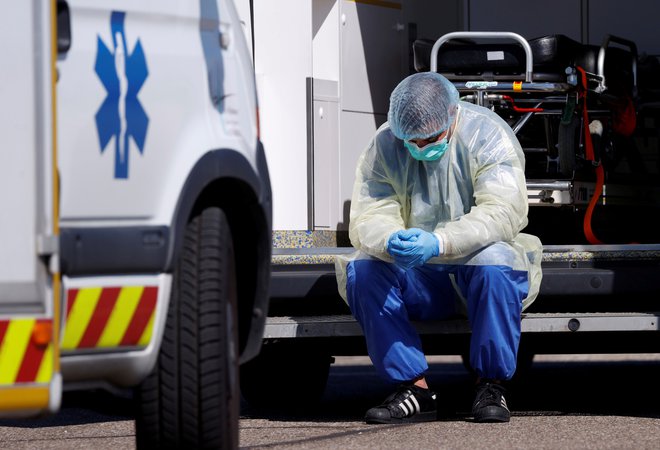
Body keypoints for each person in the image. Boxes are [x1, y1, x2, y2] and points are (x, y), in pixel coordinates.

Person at [335, 72, 543, 424]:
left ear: (452, 115)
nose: (418, 148)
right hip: (419, 276)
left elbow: (502, 211)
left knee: (495, 259)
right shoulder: (385, 143)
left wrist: (440, 241)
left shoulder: (486, 135)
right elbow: (370, 212)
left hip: (472, 267)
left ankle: (490, 385)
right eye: (410, 141)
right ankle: (413, 388)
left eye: (428, 138)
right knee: (364, 268)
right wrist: (388, 239)